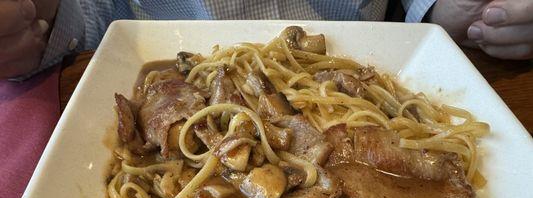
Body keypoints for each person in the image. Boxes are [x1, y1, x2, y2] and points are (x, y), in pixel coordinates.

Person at [0, 0, 532, 80]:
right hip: (183, 77)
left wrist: (447, 9)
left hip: (370, 69)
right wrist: (35, 19)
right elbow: (88, 18)